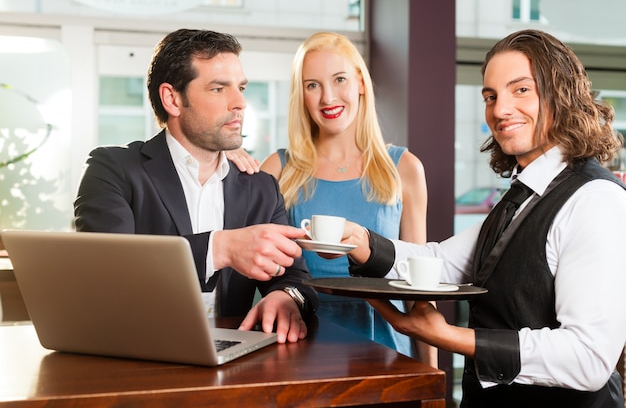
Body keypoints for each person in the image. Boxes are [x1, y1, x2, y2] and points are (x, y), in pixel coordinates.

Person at [339, 29, 626, 407]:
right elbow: (440, 262)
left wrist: (450, 336)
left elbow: (588, 358)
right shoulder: (522, 197)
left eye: (520, 90)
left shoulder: (595, 200)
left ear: (562, 95)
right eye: (490, 96)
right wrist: (363, 243)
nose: (500, 110)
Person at [73, 29, 318, 344]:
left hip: (231, 368)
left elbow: (297, 278)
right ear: (172, 99)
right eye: (219, 88)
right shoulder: (112, 170)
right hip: (135, 356)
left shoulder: (261, 188)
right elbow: (107, 274)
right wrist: (220, 249)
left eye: (241, 88)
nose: (240, 102)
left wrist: (286, 297)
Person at [230, 31, 432, 362]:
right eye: (313, 85)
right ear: (302, 96)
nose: (328, 97)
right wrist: (228, 165)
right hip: (301, 343)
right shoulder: (278, 169)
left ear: (360, 84)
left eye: (339, 80)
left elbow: (419, 291)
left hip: (388, 347)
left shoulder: (404, 168)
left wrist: (434, 384)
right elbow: (246, 261)